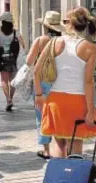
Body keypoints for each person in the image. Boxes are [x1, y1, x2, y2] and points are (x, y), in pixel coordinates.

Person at [34, 6, 96, 158]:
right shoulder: (90, 48)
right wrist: (91, 110)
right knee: (76, 145)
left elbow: (36, 71)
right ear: (86, 24)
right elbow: (88, 82)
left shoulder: (54, 42)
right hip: (78, 102)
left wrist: (39, 95)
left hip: (56, 101)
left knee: (59, 145)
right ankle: (73, 179)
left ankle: (60, 178)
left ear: (68, 24)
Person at [27, 11, 64, 159]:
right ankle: (61, 149)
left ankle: (47, 151)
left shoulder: (41, 40)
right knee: (58, 115)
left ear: (45, 27)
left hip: (42, 82)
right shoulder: (64, 41)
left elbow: (29, 61)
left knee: (41, 116)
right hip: (60, 82)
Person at [0, 12, 25, 111]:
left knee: (4, 80)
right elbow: (23, 45)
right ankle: (11, 97)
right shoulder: (15, 32)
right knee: (12, 81)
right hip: (13, 58)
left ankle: (8, 100)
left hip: (2, 58)